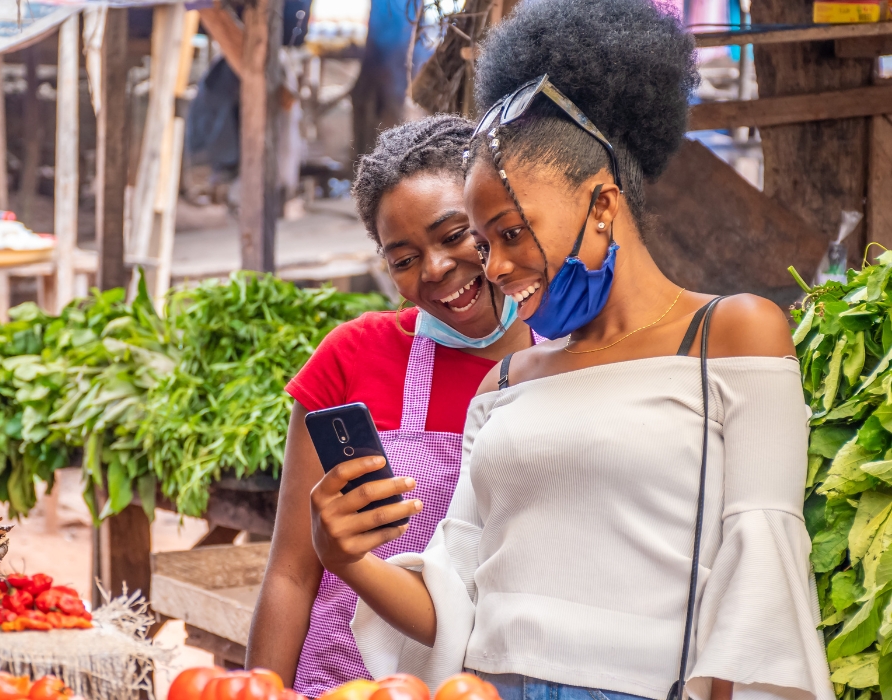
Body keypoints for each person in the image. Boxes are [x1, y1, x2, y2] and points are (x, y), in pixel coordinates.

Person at [307, 3, 835, 700]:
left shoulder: (733, 333)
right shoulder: (507, 380)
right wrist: (342, 557)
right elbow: (453, 603)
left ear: (604, 204)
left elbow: (761, 569)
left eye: (512, 232)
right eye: (486, 243)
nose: (493, 268)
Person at [246, 115, 536, 697]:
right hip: (340, 680)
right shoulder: (352, 356)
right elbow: (291, 572)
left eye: (455, 234)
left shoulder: (572, 361)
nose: (435, 269)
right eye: (403, 259)